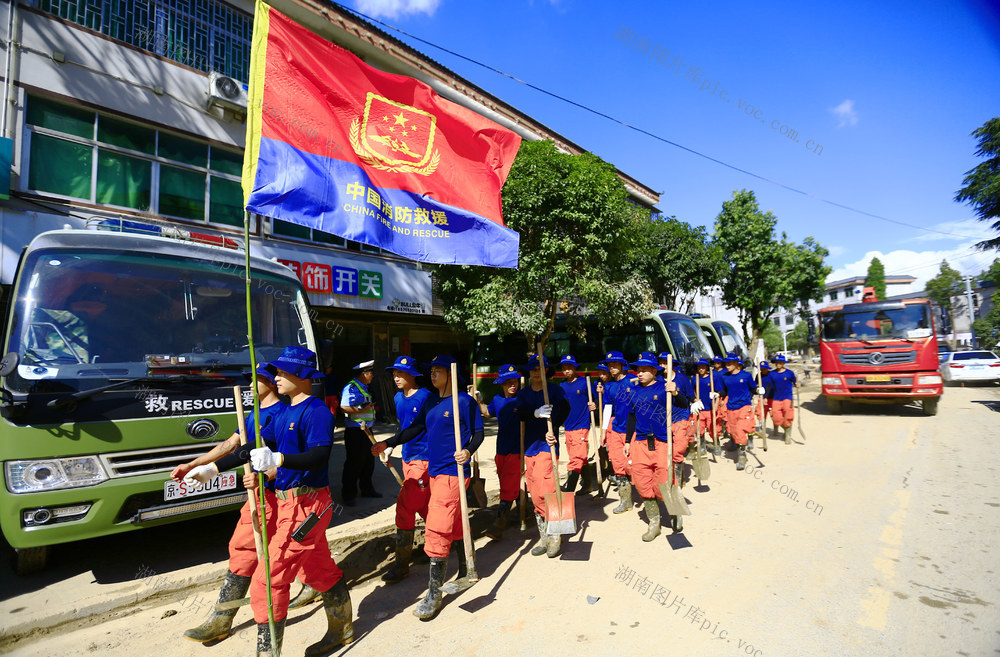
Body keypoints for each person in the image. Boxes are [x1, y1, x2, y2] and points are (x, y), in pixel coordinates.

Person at [203, 346, 352, 656]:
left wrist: (280, 459)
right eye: (277, 372)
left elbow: (320, 455)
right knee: (318, 570)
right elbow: (252, 449)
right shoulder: (283, 411)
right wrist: (211, 468)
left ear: (303, 376)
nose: (277, 377)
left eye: (283, 372)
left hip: (308, 505)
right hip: (286, 503)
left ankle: (268, 652)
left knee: (267, 581)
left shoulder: (317, 411)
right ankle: (343, 628)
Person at [171, 363, 284, 644]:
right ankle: (221, 619)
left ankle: (320, 594)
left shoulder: (282, 414)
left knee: (284, 552)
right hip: (259, 495)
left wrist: (266, 474)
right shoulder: (255, 413)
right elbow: (232, 445)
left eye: (255, 380)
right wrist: (194, 464)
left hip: (277, 494)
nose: (249, 386)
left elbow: (286, 456)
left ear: (271, 383)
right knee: (247, 549)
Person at [371, 355, 484, 620]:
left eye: (438, 371)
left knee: (436, 526)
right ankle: (469, 565)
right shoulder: (431, 400)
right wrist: (389, 443)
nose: (432, 375)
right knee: (453, 523)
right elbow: (416, 428)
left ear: (451, 374)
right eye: (431, 370)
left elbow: (478, 432)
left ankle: (434, 593)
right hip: (434, 471)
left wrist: (467, 451)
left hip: (453, 472)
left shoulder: (464, 401)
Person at [623, 352, 692, 540]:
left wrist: (675, 392)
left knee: (665, 479)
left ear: (655, 371)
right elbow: (631, 417)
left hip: (662, 441)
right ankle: (655, 523)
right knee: (643, 482)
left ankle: (675, 513)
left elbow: (684, 403)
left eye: (645, 369)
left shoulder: (664, 387)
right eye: (638, 369)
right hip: (641, 443)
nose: (640, 373)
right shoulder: (635, 390)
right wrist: (628, 441)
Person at [381, 356, 432, 583]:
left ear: (413, 375)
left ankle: (402, 564)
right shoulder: (398, 397)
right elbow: (403, 427)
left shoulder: (426, 397)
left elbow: (426, 426)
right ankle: (438, 546)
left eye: (401, 374)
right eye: (394, 374)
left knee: (405, 506)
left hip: (424, 458)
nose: (396, 378)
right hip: (408, 456)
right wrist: (392, 446)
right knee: (425, 505)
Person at [514, 354, 570, 557]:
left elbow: (565, 409)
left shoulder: (555, 390)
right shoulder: (524, 393)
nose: (536, 372)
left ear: (546, 370)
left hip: (547, 445)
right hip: (530, 446)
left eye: (540, 368)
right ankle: (544, 536)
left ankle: (556, 536)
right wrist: (535, 413)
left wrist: (553, 426)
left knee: (549, 490)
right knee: (535, 492)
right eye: (533, 369)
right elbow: (520, 413)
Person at [473, 363, 522, 540]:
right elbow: (487, 412)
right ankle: (523, 510)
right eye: (508, 382)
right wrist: (478, 400)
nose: (512, 385)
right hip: (501, 449)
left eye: (514, 381)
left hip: (518, 449)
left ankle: (498, 525)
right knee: (507, 483)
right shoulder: (498, 399)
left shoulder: (522, 398)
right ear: (501, 384)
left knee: (508, 486)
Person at [595, 351, 634, 514]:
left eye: (615, 364)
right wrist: (604, 430)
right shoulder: (609, 387)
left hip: (633, 430)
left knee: (633, 464)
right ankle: (626, 501)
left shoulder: (633, 381)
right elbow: (608, 409)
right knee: (617, 464)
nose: (612, 367)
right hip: (616, 428)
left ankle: (647, 493)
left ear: (622, 365)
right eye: (610, 365)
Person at [557, 354, 598, 494]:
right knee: (579, 457)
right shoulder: (561, 385)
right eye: (564, 368)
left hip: (582, 425)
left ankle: (569, 491)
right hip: (568, 426)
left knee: (576, 459)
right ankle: (588, 485)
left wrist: (595, 404)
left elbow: (596, 399)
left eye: (569, 367)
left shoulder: (584, 382)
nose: (566, 370)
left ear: (574, 368)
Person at [340, 360, 379, 505]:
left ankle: (367, 489)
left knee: (369, 461)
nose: (373, 376)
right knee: (354, 462)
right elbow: (344, 407)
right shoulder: (351, 387)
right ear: (364, 374)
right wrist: (362, 410)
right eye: (371, 373)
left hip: (367, 429)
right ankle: (348, 494)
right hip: (355, 430)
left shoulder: (365, 387)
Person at [721, 353, 764, 471]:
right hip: (731, 408)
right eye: (726, 363)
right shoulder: (725, 377)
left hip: (744, 406)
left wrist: (757, 390)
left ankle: (742, 456)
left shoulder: (746, 376)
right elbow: (724, 391)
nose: (727, 365)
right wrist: (717, 394)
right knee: (733, 431)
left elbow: (752, 388)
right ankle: (744, 440)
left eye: (730, 363)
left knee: (740, 430)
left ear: (736, 363)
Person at [769, 354, 800, 443]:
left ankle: (788, 436)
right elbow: (769, 386)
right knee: (776, 418)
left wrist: (797, 384)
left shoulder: (789, 373)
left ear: (783, 363)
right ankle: (786, 431)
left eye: (780, 362)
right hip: (776, 398)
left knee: (788, 416)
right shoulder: (772, 374)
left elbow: (795, 382)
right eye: (776, 362)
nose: (778, 364)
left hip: (787, 397)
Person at [691, 358, 715, 454]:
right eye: (699, 367)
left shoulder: (712, 378)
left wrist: (716, 398)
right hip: (700, 408)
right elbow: (692, 391)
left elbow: (719, 391)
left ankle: (716, 443)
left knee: (712, 427)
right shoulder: (694, 378)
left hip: (710, 407)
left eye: (703, 367)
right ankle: (702, 444)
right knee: (699, 428)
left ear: (706, 368)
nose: (701, 369)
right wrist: (695, 399)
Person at [757, 361, 774, 435]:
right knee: (760, 413)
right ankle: (761, 427)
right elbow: (755, 385)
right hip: (761, 397)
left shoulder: (772, 375)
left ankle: (775, 427)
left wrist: (766, 397)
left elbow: (770, 386)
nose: (762, 370)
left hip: (771, 397)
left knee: (773, 414)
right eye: (761, 368)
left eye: (764, 369)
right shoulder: (758, 375)